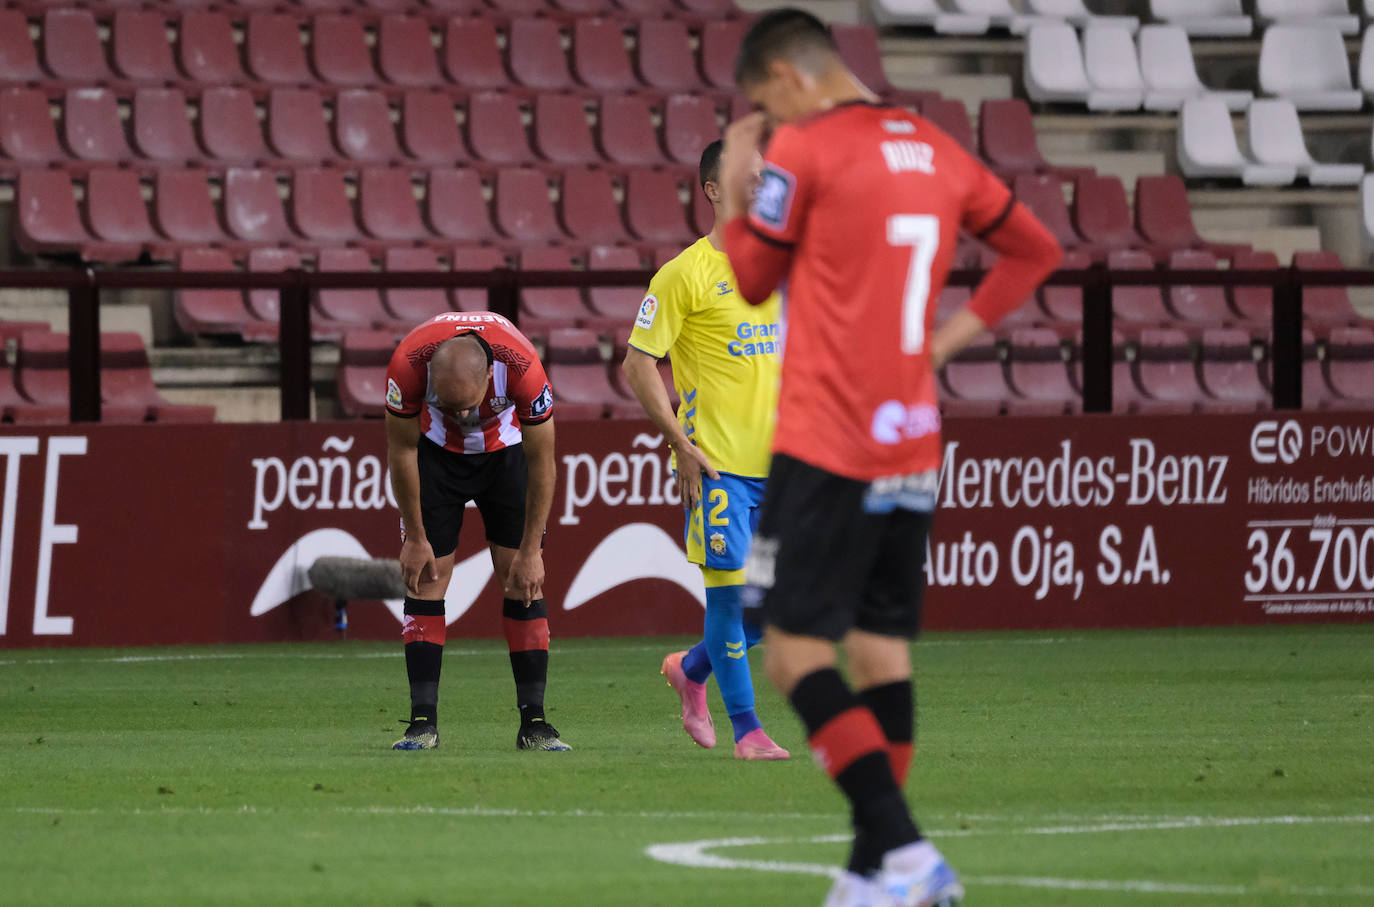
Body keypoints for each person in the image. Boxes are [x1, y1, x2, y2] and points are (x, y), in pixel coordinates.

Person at [719, 10, 1062, 905]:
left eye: (762, 102)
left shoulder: (809, 149)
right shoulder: (938, 147)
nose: (765, 119)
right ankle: (872, 874)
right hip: (913, 437)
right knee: (879, 653)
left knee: (793, 653)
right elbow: (1036, 250)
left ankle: (908, 856)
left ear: (789, 78)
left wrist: (734, 183)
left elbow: (751, 279)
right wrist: (940, 347)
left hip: (829, 440)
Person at [622, 140, 790, 761]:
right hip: (717, 467)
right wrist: (681, 445)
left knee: (771, 612)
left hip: (781, 471)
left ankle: (691, 671)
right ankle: (748, 731)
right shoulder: (683, 275)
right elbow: (639, 364)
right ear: (713, 190)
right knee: (727, 595)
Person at [384, 311, 570, 753]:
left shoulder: (522, 366)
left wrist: (532, 549)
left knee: (520, 580)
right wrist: (413, 535)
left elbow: (543, 461)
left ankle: (536, 725)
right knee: (428, 577)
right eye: (451, 405)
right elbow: (401, 450)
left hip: (505, 457)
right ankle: (421, 725)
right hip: (435, 456)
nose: (464, 415)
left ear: (492, 374)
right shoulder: (408, 364)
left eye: (470, 403)